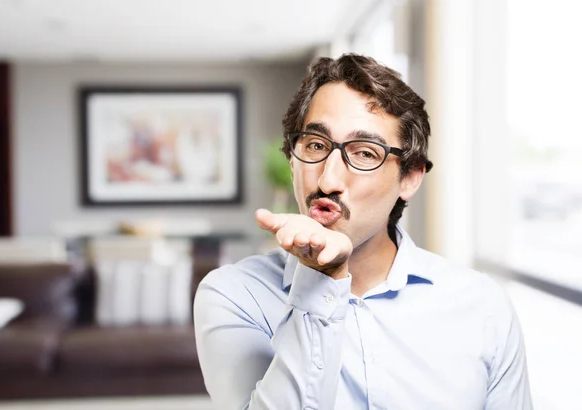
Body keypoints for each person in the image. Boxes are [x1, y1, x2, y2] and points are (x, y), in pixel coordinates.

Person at [194, 54, 533, 410]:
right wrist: (321, 278)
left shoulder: (482, 306)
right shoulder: (234, 294)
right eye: (315, 145)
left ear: (410, 177)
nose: (328, 180)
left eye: (365, 153)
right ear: (293, 160)